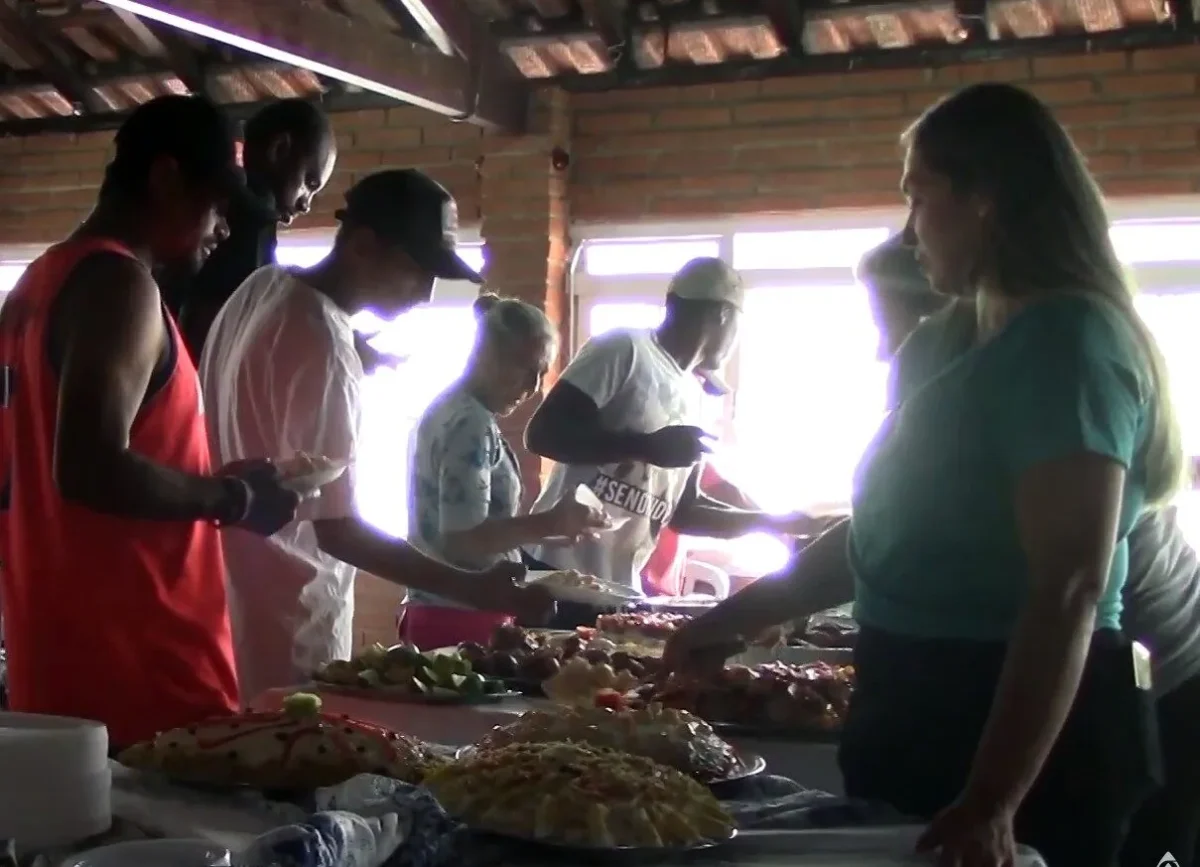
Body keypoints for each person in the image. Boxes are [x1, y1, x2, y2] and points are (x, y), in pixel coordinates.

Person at [664, 82, 1179, 867]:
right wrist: (726, 619)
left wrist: (993, 798)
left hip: (1009, 717)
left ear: (985, 198)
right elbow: (874, 538)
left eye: (919, 197)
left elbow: (1070, 583)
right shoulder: (946, 341)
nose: (909, 234)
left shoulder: (1067, 339)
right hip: (910, 699)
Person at [0, 95, 301, 748]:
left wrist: (202, 480)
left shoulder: (36, 286)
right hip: (143, 677)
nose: (224, 229)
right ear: (165, 178)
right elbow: (89, 467)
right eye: (217, 205)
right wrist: (234, 498)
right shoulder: (121, 286)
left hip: (57, 673)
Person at [200, 169, 555, 696]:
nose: (427, 292)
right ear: (364, 246)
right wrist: (474, 588)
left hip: (226, 603)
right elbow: (339, 531)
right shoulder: (325, 347)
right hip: (292, 620)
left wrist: (351, 347)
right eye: (418, 270)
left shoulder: (261, 289)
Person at [524, 257, 824, 595]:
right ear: (723, 314)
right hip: (557, 571)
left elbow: (685, 513)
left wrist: (769, 522)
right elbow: (542, 434)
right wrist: (645, 447)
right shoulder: (624, 349)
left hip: (617, 588)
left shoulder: (694, 395)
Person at [405, 293, 608, 647]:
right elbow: (463, 541)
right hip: (459, 615)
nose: (533, 387)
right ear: (487, 356)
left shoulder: (449, 408)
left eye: (542, 374)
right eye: (526, 369)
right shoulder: (470, 424)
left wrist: (551, 529)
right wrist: (548, 522)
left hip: (439, 609)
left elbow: (466, 526)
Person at [164, 98, 337, 362]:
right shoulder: (252, 220)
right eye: (309, 183)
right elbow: (215, 323)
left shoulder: (230, 212)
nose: (306, 204)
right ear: (279, 149)